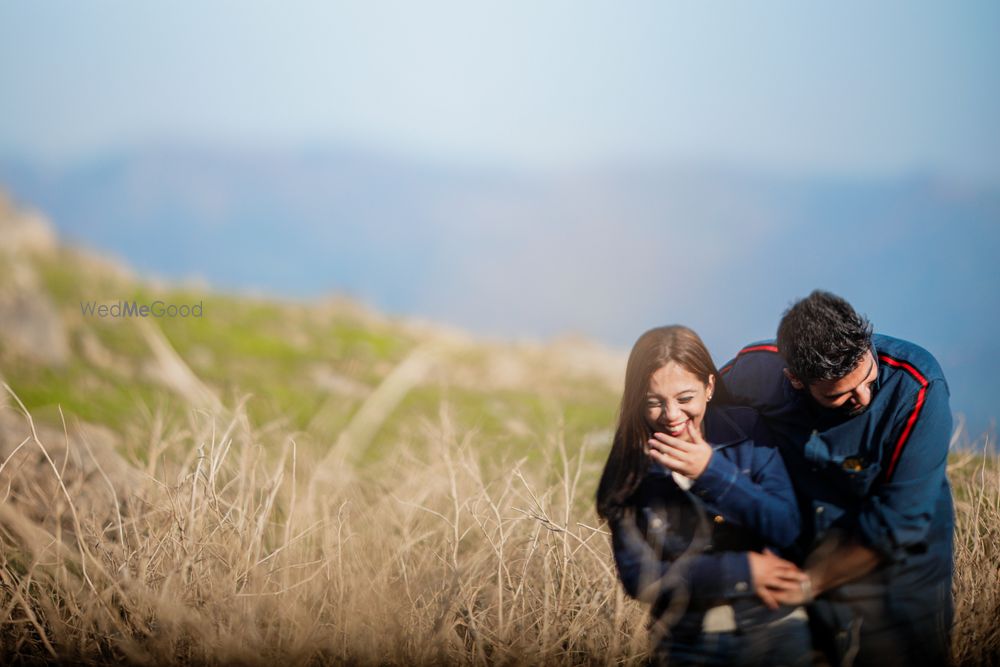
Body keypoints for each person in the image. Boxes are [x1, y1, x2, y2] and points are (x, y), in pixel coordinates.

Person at [719, 290, 954, 667]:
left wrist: (808, 585)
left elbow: (900, 522)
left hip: (902, 569)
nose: (862, 396)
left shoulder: (916, 387)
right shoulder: (754, 372)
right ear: (795, 379)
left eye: (868, 378)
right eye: (840, 395)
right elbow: (704, 404)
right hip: (804, 548)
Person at [597, 325, 814, 667]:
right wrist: (742, 570)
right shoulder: (630, 467)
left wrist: (711, 472)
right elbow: (639, 576)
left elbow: (787, 527)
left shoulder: (750, 433)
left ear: (710, 387)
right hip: (690, 641)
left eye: (685, 399)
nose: (671, 416)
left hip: (778, 631)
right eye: (654, 403)